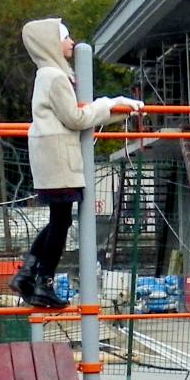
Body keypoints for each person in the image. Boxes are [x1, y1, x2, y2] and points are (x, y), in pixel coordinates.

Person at [13, 18, 141, 312]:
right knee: (61, 222)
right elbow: (76, 118)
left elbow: (78, 115)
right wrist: (109, 103)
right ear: (51, 44)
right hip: (58, 156)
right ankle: (42, 281)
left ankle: (28, 274)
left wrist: (118, 110)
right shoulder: (55, 77)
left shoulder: (46, 74)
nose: (71, 42)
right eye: (65, 37)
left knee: (59, 220)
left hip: (50, 154)